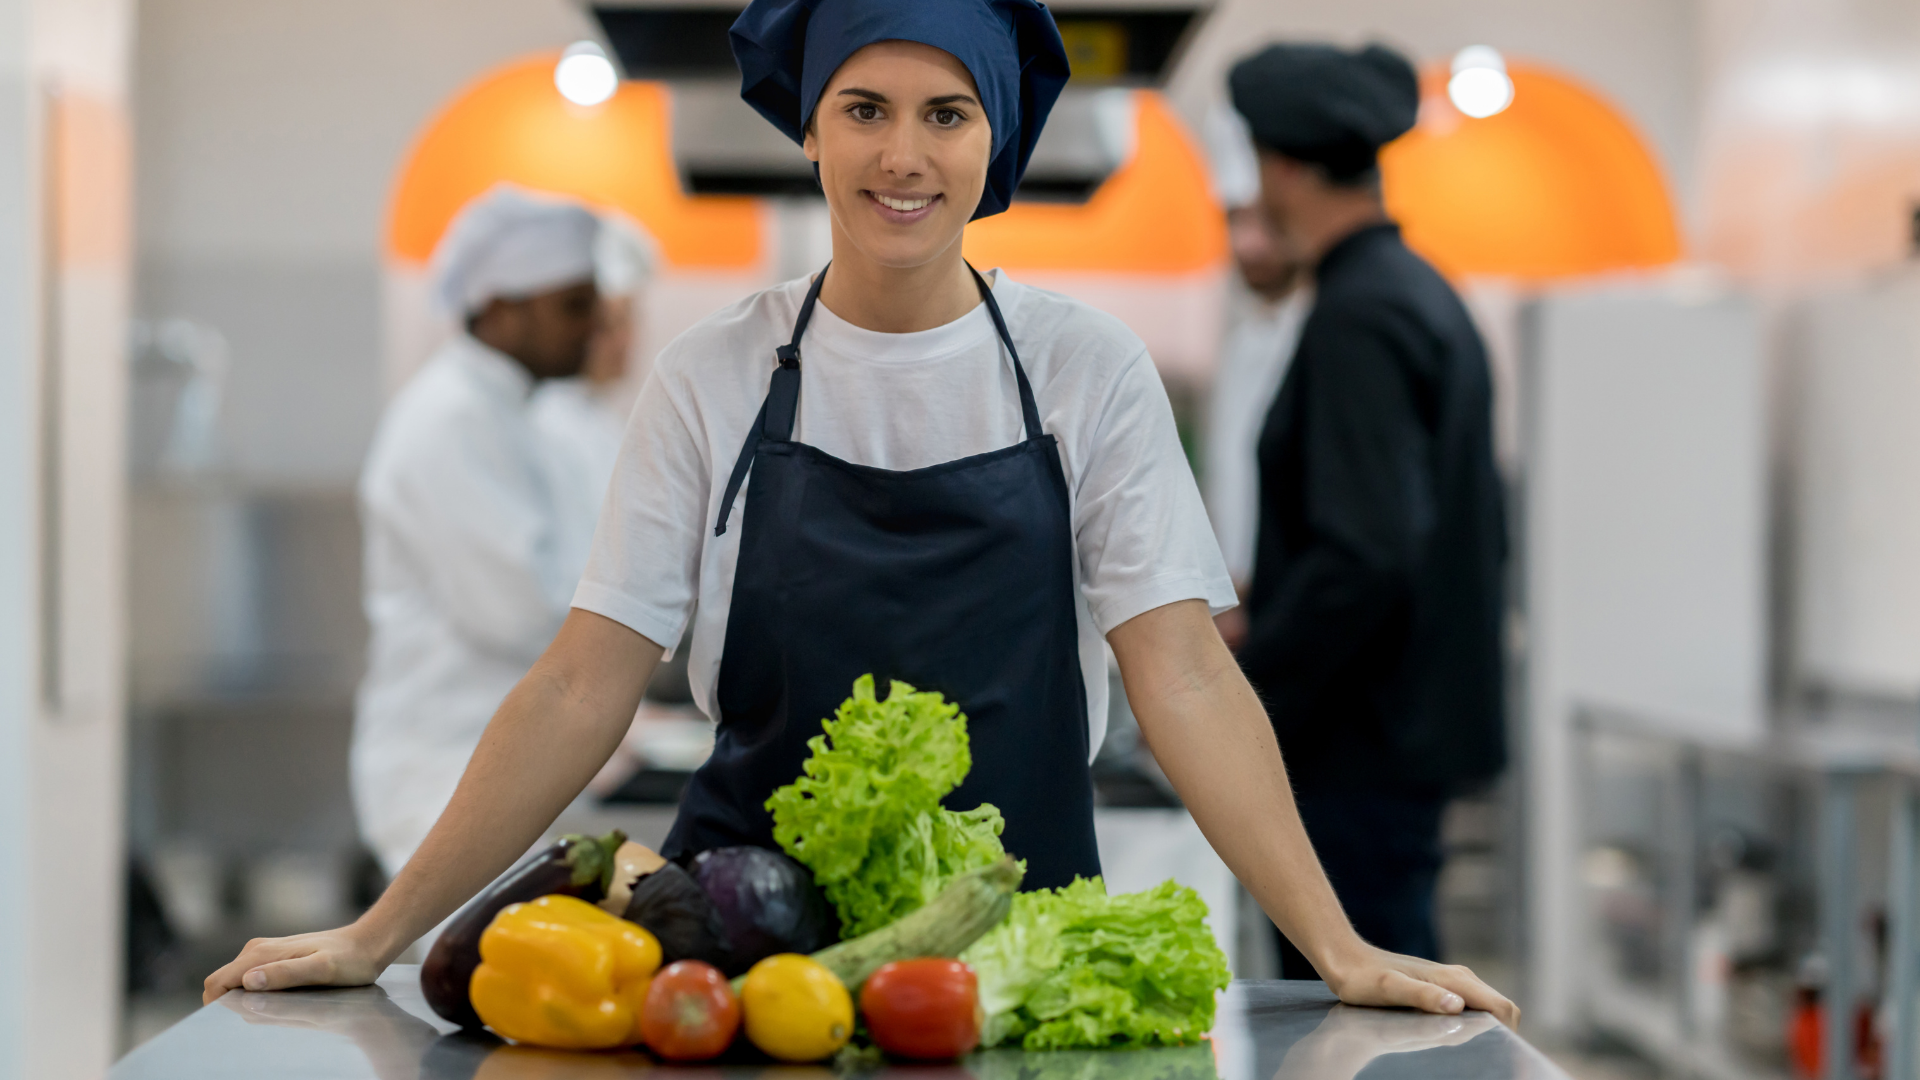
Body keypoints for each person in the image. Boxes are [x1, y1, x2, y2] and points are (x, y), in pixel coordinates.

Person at [207, 1, 1516, 1027]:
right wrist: (378, 934)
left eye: (947, 113)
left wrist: (1336, 945)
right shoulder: (713, 373)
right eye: (865, 109)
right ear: (812, 129)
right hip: (733, 969)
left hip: (1003, 968)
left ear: (994, 137)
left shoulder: (1084, 369)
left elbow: (1180, 672)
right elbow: (579, 683)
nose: (905, 153)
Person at [1226, 43, 1509, 979]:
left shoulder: (1361, 313)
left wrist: (1246, 681)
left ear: (1284, 168)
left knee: (1370, 1010)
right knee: (1398, 992)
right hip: (1396, 735)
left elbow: (1369, 549)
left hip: (1358, 747)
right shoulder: (1415, 293)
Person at [350, 184, 601, 880]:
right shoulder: (451, 420)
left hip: (497, 766)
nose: (595, 325)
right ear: (500, 307)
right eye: (572, 306)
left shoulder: (517, 417)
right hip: (445, 773)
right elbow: (520, 610)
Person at [1201, 102, 1311, 651]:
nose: (1247, 244)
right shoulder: (1242, 335)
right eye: (1233, 221)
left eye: (1262, 221)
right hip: (1240, 618)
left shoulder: (1335, 332)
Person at [531, 214, 659, 578]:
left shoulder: (599, 418)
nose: (625, 340)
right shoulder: (547, 423)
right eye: (611, 324)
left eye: (629, 320)